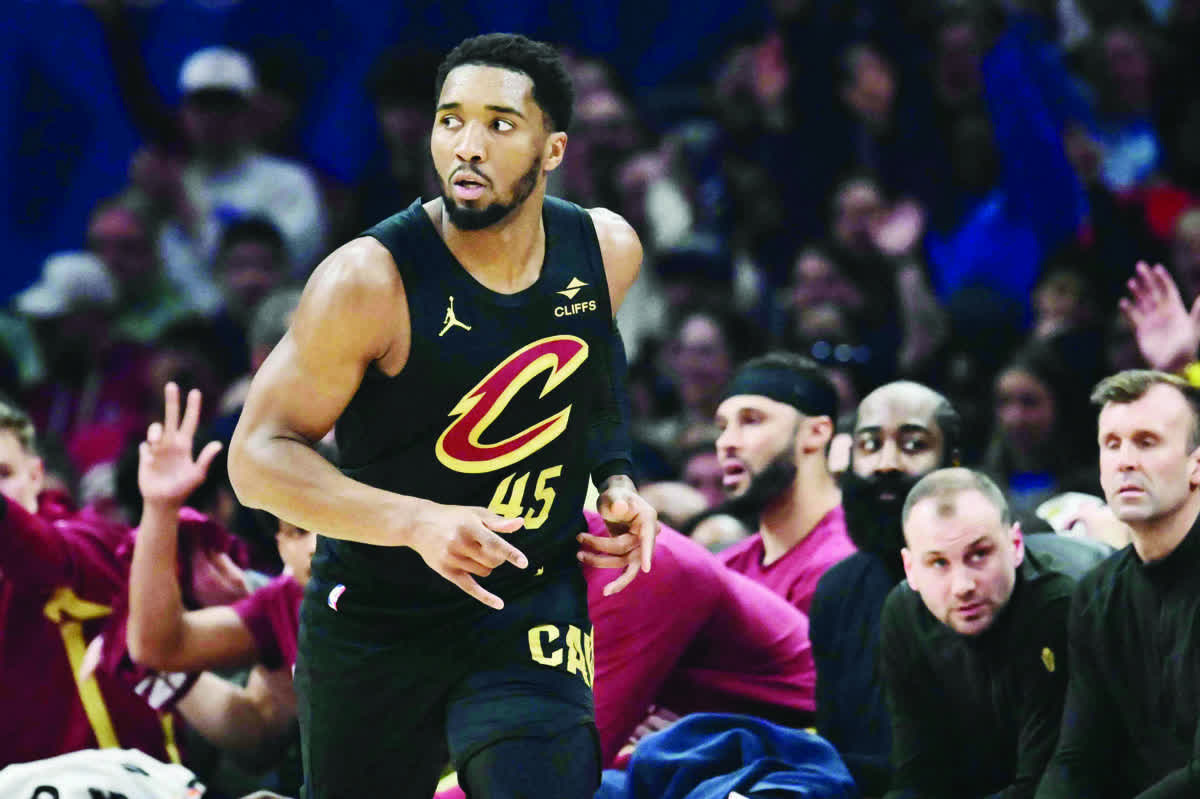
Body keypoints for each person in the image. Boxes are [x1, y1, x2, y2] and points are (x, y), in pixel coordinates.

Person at [227, 33, 657, 799]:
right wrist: (416, 521)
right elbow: (256, 457)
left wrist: (616, 476)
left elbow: (593, 370)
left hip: (527, 599)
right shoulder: (369, 279)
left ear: (553, 149)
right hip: (377, 616)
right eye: (450, 120)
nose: (467, 146)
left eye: (499, 124)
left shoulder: (604, 249)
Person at [1037, 370, 1200, 797]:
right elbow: (1077, 756)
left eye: (1146, 442)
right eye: (1112, 444)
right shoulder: (1096, 592)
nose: (1124, 461)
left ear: (1197, 465)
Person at [0, 397, 181, 767]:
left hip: (126, 783)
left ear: (36, 476)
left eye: (3, 474)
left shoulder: (90, 539)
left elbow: (46, 557)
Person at [880, 468, 1073, 798]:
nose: (962, 586)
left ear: (1015, 545)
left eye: (979, 555)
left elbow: (1044, 785)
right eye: (938, 563)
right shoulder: (903, 613)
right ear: (910, 569)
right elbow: (914, 772)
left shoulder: (1057, 608)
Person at [808, 380, 961, 794]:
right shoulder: (837, 590)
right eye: (870, 445)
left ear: (953, 461)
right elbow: (834, 746)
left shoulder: (979, 581)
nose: (886, 464)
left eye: (913, 445)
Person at [713, 352, 856, 615]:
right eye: (723, 427)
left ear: (816, 432)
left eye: (751, 421)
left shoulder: (848, 562)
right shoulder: (727, 567)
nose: (726, 442)